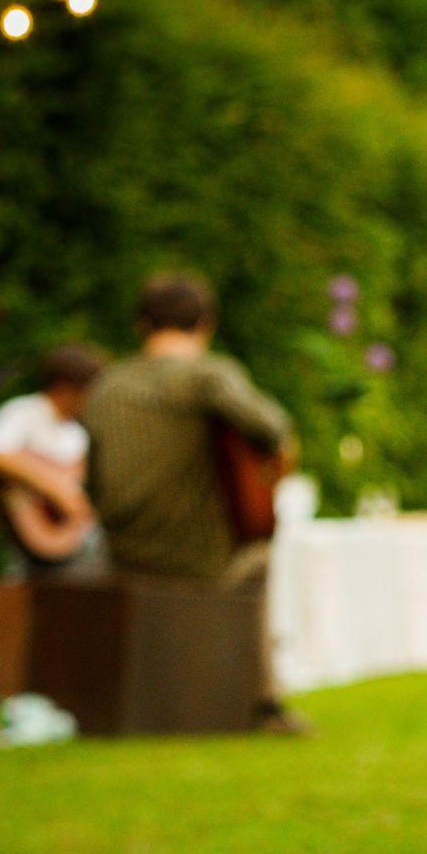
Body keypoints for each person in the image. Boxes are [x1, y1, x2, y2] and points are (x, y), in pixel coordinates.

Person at [82, 274, 302, 729]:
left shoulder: (106, 385)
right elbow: (273, 428)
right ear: (206, 325)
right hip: (198, 558)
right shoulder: (207, 375)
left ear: (142, 325)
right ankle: (264, 704)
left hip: (120, 552)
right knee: (260, 557)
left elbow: (91, 480)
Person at [0, 343, 109, 577]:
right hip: (37, 546)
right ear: (66, 388)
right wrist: (54, 487)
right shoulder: (26, 411)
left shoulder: (77, 431)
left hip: (75, 543)